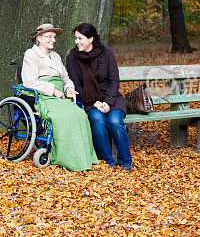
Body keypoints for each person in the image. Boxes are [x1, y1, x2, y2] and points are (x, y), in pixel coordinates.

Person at [21, 23, 98, 172]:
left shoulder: (55, 56)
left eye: (54, 37)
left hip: (61, 95)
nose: (53, 40)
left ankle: (83, 158)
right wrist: (53, 90)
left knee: (80, 114)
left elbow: (66, 77)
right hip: (44, 95)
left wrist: (69, 88)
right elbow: (29, 81)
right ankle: (65, 157)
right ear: (39, 38)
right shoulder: (31, 54)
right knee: (63, 117)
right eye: (50, 37)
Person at [65, 22, 133, 171]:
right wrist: (95, 102)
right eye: (75, 38)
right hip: (89, 100)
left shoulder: (106, 53)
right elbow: (76, 86)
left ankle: (125, 161)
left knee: (115, 121)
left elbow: (114, 81)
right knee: (97, 120)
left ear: (91, 39)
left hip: (112, 98)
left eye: (80, 38)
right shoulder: (72, 58)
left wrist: (107, 102)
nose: (77, 42)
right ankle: (108, 160)